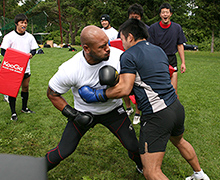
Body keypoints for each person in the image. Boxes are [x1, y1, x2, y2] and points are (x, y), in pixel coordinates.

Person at [78, 19, 210, 180]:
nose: (122, 42)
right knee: (180, 141)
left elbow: (125, 89)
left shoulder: (129, 55)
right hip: (175, 106)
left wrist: (97, 95)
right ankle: (200, 174)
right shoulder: (158, 50)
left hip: (157, 114)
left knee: (151, 171)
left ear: (130, 37)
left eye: (123, 38)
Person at [45, 25, 143, 173]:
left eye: (107, 43)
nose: (108, 49)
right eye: (102, 47)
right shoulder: (70, 69)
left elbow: (130, 84)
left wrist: (117, 82)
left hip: (113, 110)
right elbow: (52, 94)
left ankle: (142, 167)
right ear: (87, 48)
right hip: (84, 113)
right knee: (63, 151)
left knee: (133, 146)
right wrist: (74, 115)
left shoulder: (119, 57)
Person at [0, 14, 38, 121]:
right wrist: (14, 59)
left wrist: (31, 54)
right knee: (13, 90)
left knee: (25, 87)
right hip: (14, 68)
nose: (24, 25)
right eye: (22, 22)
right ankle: (13, 113)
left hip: (26, 67)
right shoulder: (9, 36)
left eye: (25, 23)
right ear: (16, 24)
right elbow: (3, 50)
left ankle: (24, 108)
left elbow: (34, 50)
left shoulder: (30, 37)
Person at [148, 3, 186, 99]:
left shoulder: (177, 28)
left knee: (174, 89)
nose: (165, 14)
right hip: (157, 60)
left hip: (171, 59)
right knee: (157, 90)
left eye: (167, 12)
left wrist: (183, 63)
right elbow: (150, 47)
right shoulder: (153, 28)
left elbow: (180, 45)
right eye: (163, 12)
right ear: (160, 15)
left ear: (170, 14)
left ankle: (175, 111)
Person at [122, 3, 150, 124]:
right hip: (127, 61)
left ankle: (138, 112)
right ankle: (128, 107)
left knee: (139, 87)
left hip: (141, 63)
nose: (134, 20)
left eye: (136, 17)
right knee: (125, 85)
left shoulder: (146, 30)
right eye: (131, 17)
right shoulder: (124, 29)